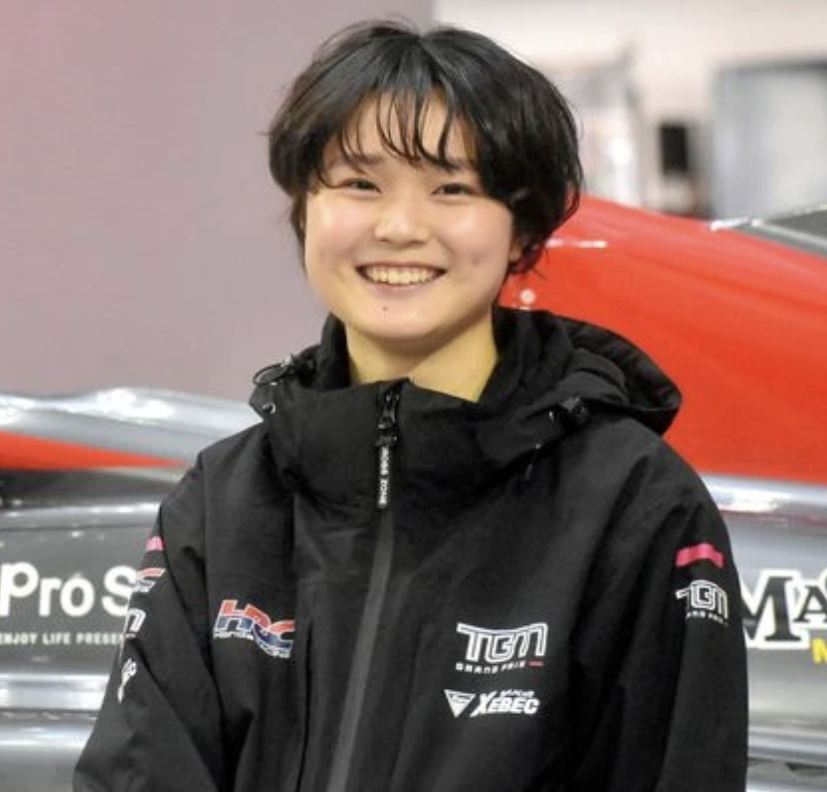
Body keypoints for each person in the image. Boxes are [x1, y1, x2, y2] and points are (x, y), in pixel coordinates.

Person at [74, 19, 748, 792]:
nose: (399, 228)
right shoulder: (221, 503)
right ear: (305, 209)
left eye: (451, 188)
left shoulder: (635, 505)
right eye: (360, 184)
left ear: (523, 229)